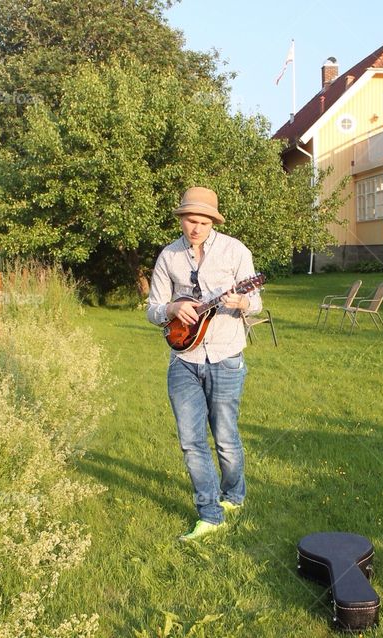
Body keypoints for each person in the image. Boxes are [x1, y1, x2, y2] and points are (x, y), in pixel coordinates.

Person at [146, 186, 261, 541]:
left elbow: (256, 302)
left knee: (225, 438)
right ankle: (210, 514)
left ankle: (234, 495)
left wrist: (243, 303)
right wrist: (171, 308)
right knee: (190, 441)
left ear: (213, 222)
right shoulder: (168, 256)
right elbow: (153, 309)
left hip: (225, 356)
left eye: (203, 222)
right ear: (181, 219)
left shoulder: (235, 251)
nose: (196, 228)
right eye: (190, 220)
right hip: (183, 358)